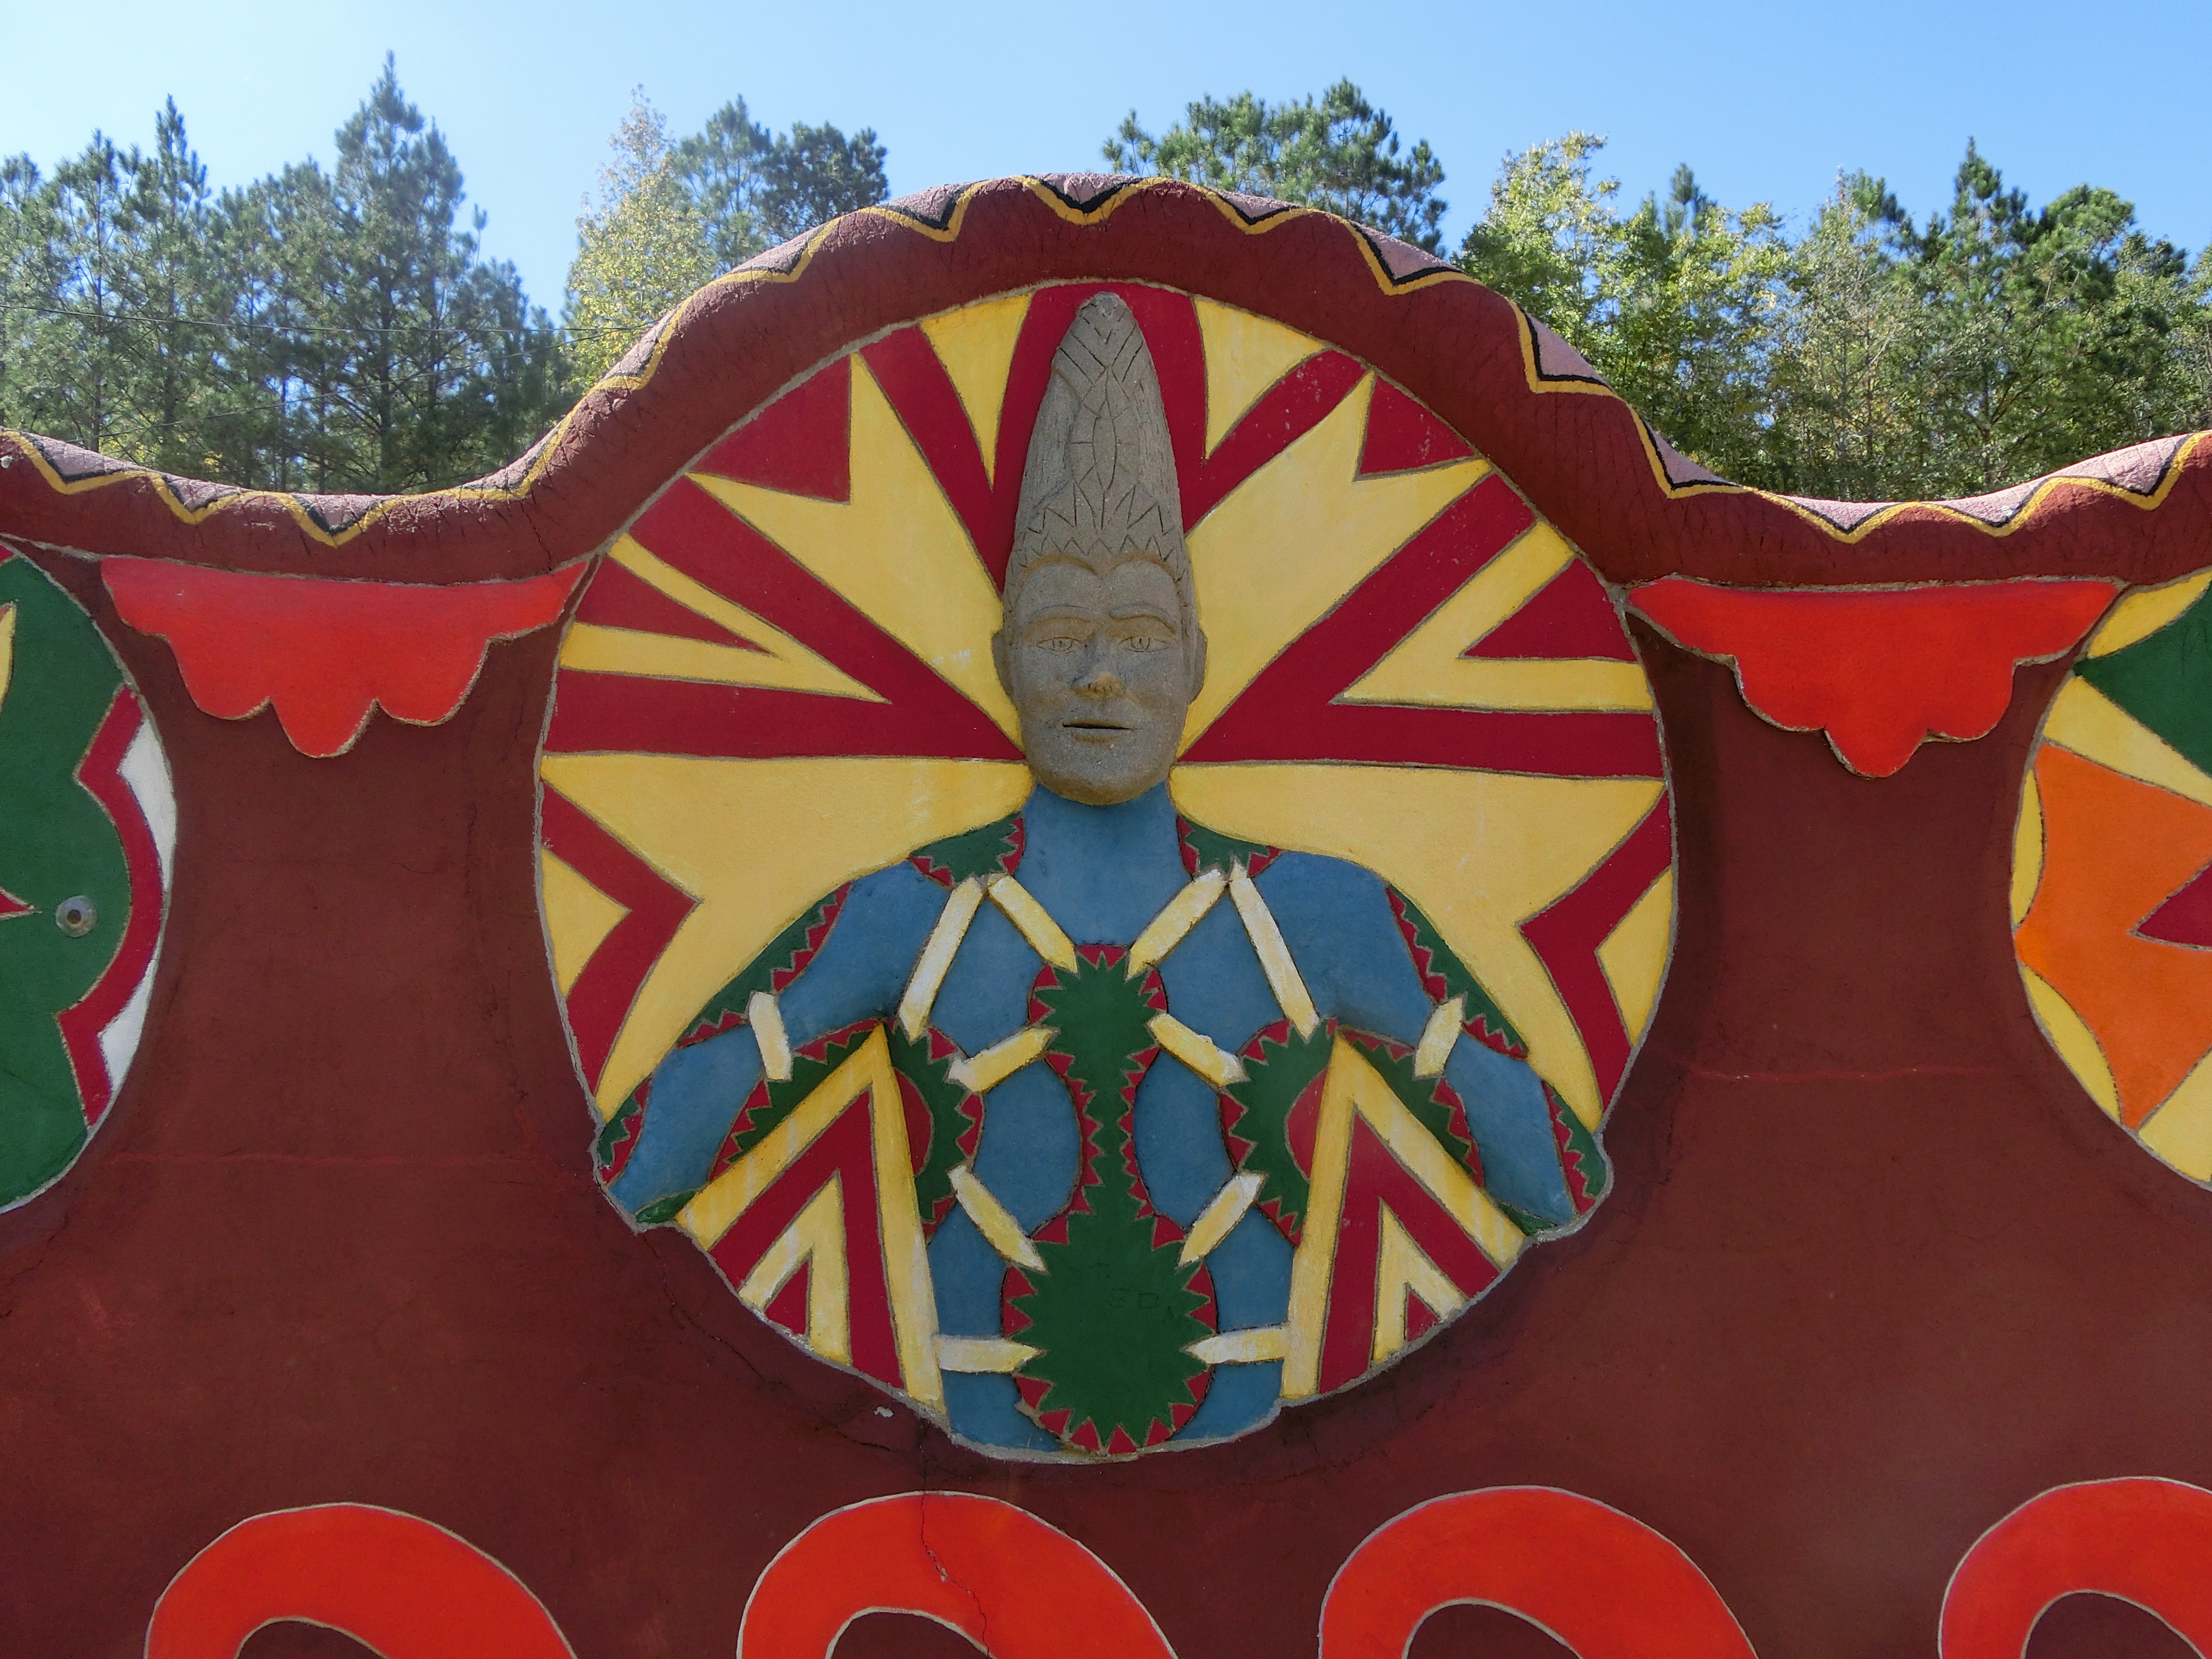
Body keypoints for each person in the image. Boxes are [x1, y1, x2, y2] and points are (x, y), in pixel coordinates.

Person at [603, 293, 1602, 1456]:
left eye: (1138, 636)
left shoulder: (1328, 915)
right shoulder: (902, 917)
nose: (1098, 676)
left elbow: (1556, 1186)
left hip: (1253, 1497)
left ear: (1198, 661)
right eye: (1057, 634)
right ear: (1002, 662)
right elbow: (641, 1171)